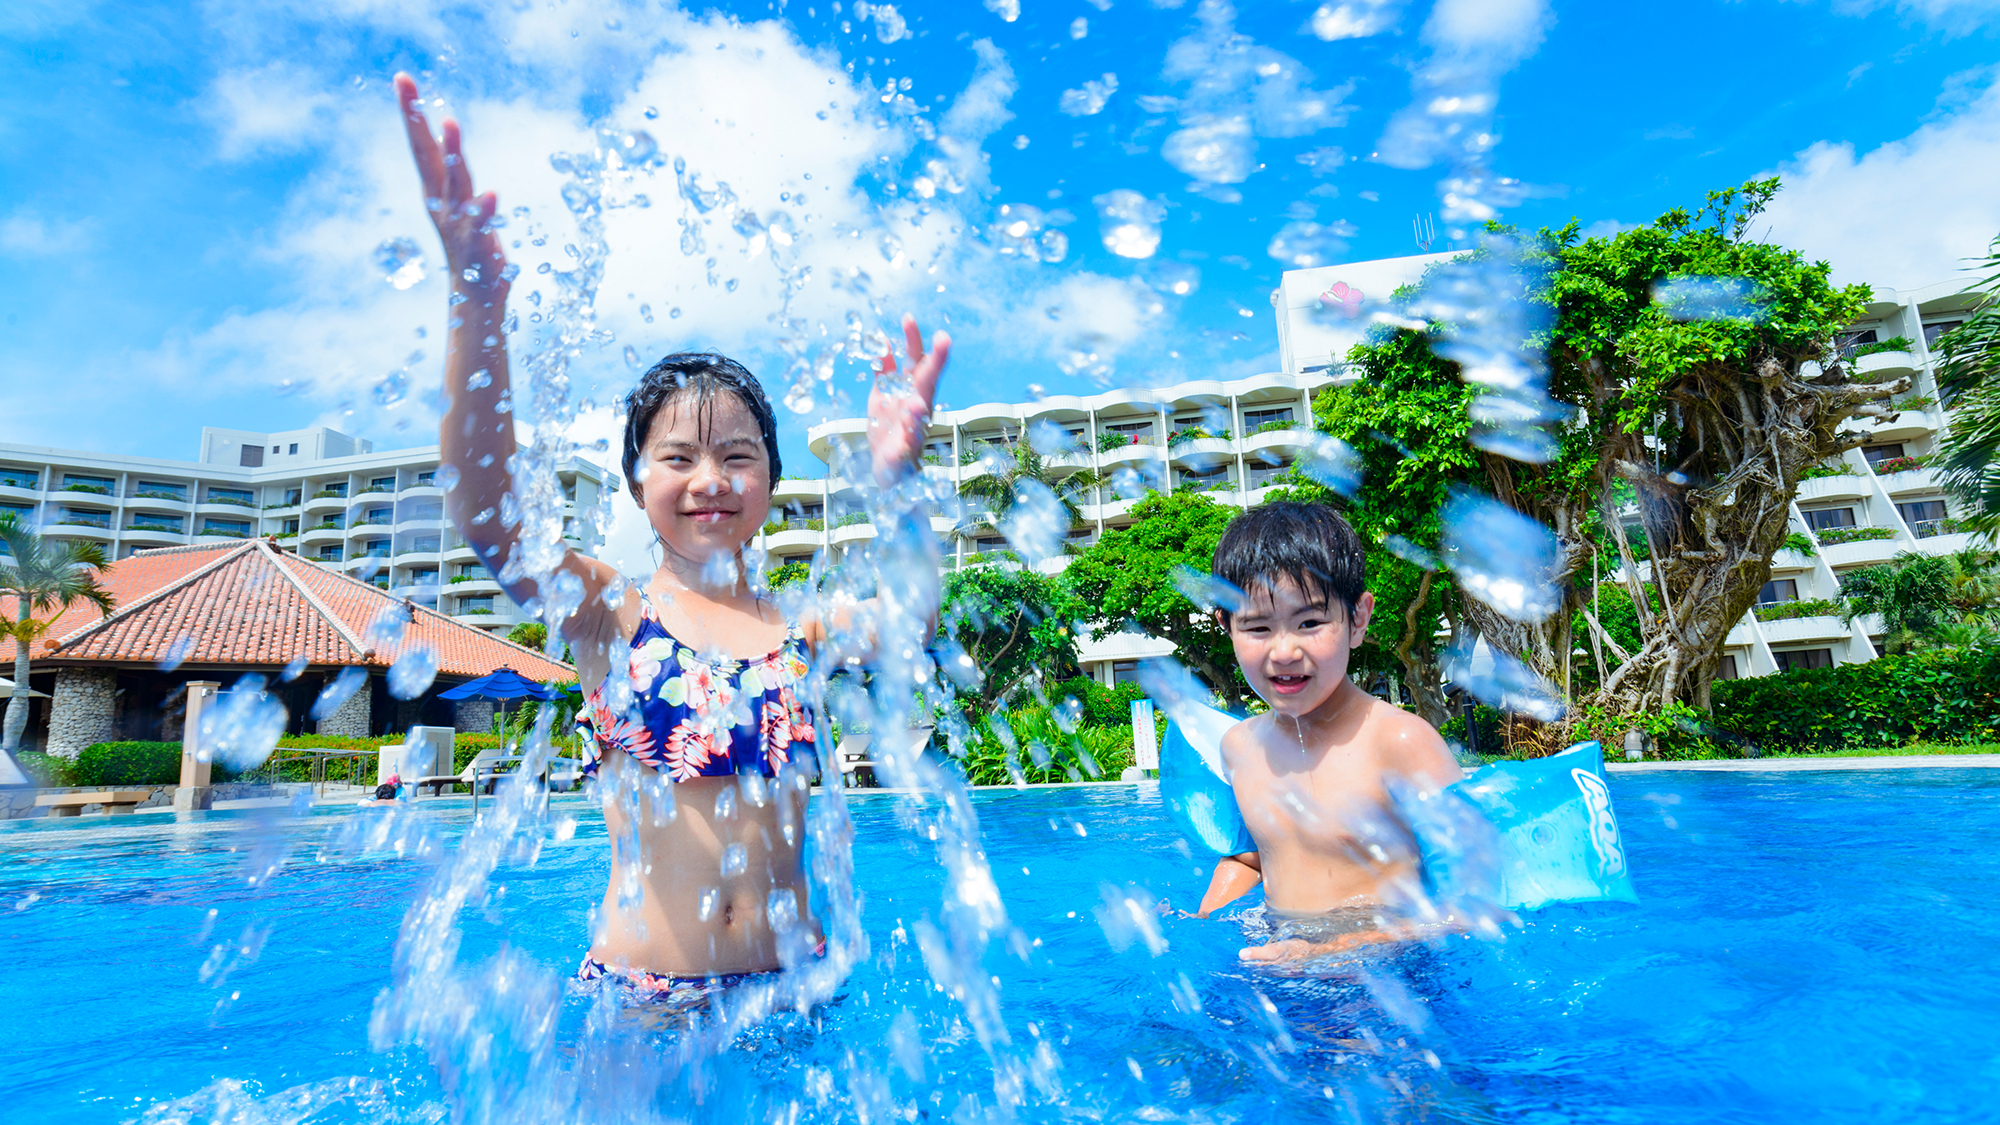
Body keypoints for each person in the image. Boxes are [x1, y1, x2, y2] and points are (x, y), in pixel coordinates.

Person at [393, 74, 948, 1000]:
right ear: (636, 480)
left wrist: (899, 483)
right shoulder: (613, 614)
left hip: (795, 994)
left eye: (738, 455)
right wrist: (477, 308)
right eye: (678, 456)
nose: (711, 480)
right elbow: (489, 511)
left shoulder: (800, 629)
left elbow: (917, 617)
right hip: (650, 1001)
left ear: (770, 478)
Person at [1193, 502, 1464, 964]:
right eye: (1257, 627)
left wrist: (1334, 951)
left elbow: (1473, 903)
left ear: (1357, 619)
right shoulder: (1238, 747)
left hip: (1387, 977)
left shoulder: (1399, 743)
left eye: (1310, 623)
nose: (1283, 651)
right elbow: (1251, 857)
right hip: (1280, 964)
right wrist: (1198, 929)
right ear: (1226, 626)